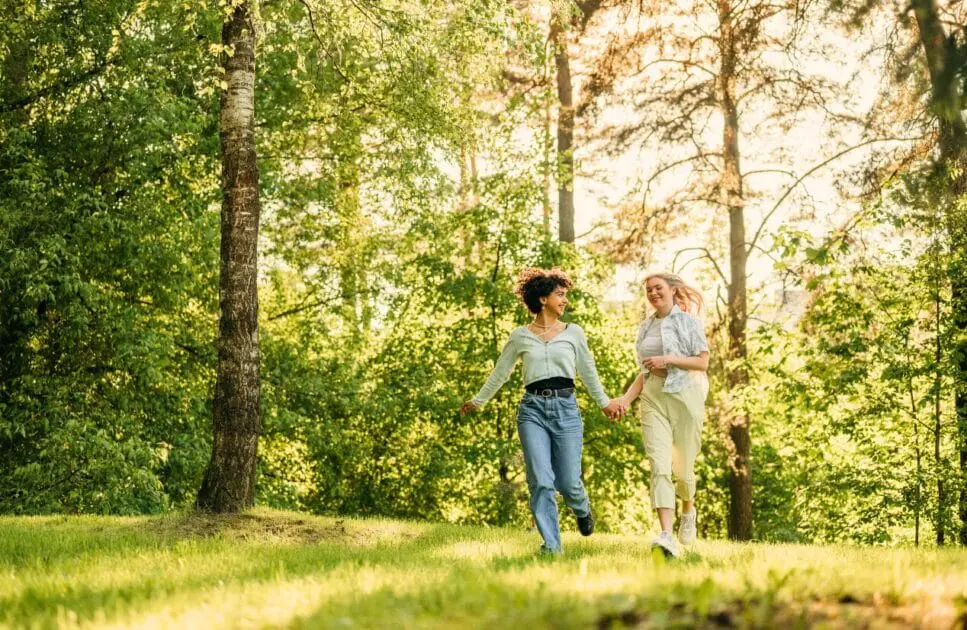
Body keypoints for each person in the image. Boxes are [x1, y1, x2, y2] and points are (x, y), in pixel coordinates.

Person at [460, 267, 624, 554]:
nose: (565, 301)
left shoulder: (574, 333)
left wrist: (604, 403)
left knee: (569, 482)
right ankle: (551, 546)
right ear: (543, 298)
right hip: (532, 410)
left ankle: (581, 508)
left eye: (565, 296)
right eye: (560, 295)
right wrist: (478, 400)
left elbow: (587, 372)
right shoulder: (520, 336)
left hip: (566, 409)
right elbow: (500, 373)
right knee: (541, 480)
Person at [616, 272, 709, 558]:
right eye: (649, 290)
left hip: (684, 397)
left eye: (658, 288)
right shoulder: (645, 328)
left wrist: (667, 359)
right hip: (653, 397)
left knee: (683, 471)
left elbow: (702, 362)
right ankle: (666, 535)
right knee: (658, 465)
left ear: (672, 290)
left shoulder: (688, 322)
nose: (653, 293)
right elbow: (645, 371)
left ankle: (688, 507)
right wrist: (626, 400)